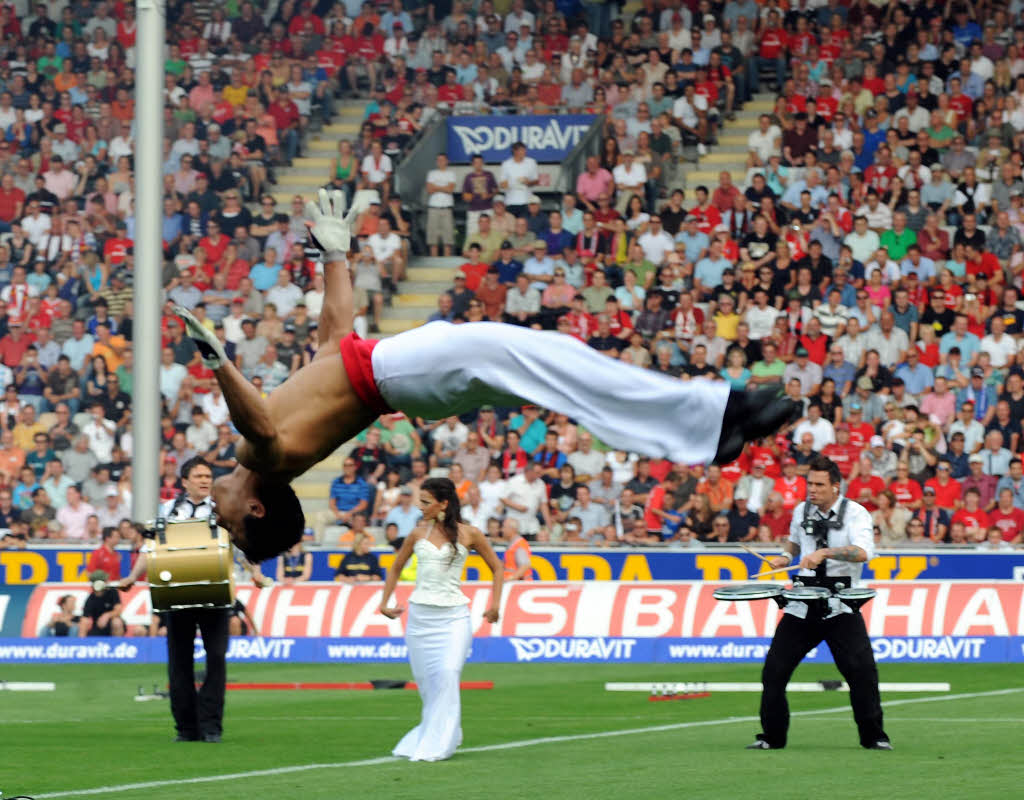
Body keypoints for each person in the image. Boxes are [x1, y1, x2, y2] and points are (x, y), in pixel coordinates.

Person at [178, 191, 801, 563]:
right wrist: (219, 362)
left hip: (411, 376)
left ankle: (712, 425)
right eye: (232, 523)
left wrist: (335, 256)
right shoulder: (261, 453)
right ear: (257, 507)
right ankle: (715, 420)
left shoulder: (272, 444)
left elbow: (332, 340)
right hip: (409, 373)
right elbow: (256, 422)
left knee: (564, 371)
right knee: (561, 367)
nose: (219, 510)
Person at [753, 455, 891, 751]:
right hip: (803, 601)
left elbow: (863, 552)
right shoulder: (802, 509)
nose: (811, 490)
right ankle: (772, 737)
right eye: (809, 484)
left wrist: (825, 553)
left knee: (862, 671)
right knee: (774, 671)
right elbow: (793, 541)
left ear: (836, 487)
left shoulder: (856, 513)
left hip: (840, 603)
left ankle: (874, 737)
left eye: (818, 484)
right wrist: (785, 558)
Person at [377, 478, 503, 762]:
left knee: (447, 674)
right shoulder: (417, 533)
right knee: (427, 684)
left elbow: (497, 567)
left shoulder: (470, 534)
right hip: (420, 619)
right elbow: (395, 568)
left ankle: (440, 743)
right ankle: (440, 733)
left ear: (443, 503)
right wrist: (384, 602)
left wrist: (495, 605)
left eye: (425, 501)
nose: (419, 507)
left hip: (454, 618)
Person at [115, 457, 229, 743]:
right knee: (179, 661)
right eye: (199, 475)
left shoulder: (223, 508)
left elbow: (238, 542)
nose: (205, 480)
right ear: (184, 481)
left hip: (214, 591)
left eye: (208, 476)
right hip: (177, 593)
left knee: (216, 658)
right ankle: (186, 727)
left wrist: (254, 571)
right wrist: (132, 576)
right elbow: (150, 547)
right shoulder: (168, 510)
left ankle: (211, 725)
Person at [76, 570, 125, 637]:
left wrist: (107, 616)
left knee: (117, 622)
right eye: (105, 580)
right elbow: (85, 618)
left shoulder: (112, 592)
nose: (108, 582)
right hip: (98, 627)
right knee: (83, 624)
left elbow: (118, 610)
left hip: (112, 624)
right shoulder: (91, 599)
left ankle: (118, 644)